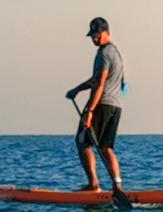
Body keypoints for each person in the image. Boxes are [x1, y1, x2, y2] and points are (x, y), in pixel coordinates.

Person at [65, 16, 126, 196]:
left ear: (107, 33)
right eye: (93, 35)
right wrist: (77, 89)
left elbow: (99, 84)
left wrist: (90, 111)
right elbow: (97, 80)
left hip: (101, 106)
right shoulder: (116, 52)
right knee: (106, 147)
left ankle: (93, 185)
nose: (95, 39)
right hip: (115, 107)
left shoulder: (104, 54)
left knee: (82, 142)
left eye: (98, 35)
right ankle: (118, 187)